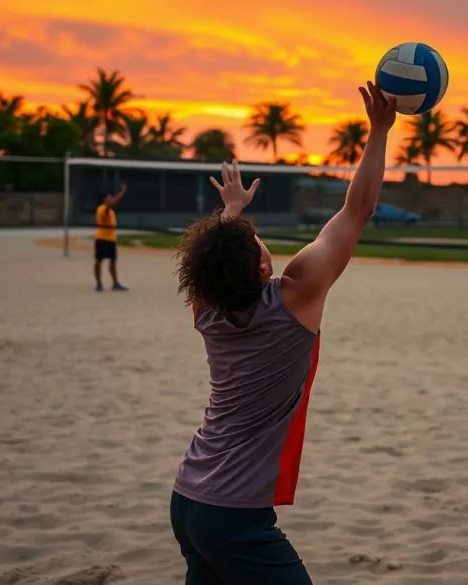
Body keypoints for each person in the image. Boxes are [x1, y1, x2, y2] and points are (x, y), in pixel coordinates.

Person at [167, 82, 397, 585]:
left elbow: (211, 264)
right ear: (263, 264)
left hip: (187, 499)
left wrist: (229, 216)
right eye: (253, 239)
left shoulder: (206, 309)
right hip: (232, 516)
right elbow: (356, 211)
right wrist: (379, 130)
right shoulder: (294, 297)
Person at [94, 182, 128, 292]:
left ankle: (115, 282)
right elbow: (110, 205)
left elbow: (112, 204)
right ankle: (99, 283)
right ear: (104, 199)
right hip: (102, 238)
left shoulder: (110, 210)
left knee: (113, 261)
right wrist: (122, 193)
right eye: (109, 197)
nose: (111, 199)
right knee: (99, 261)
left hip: (111, 239)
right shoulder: (102, 209)